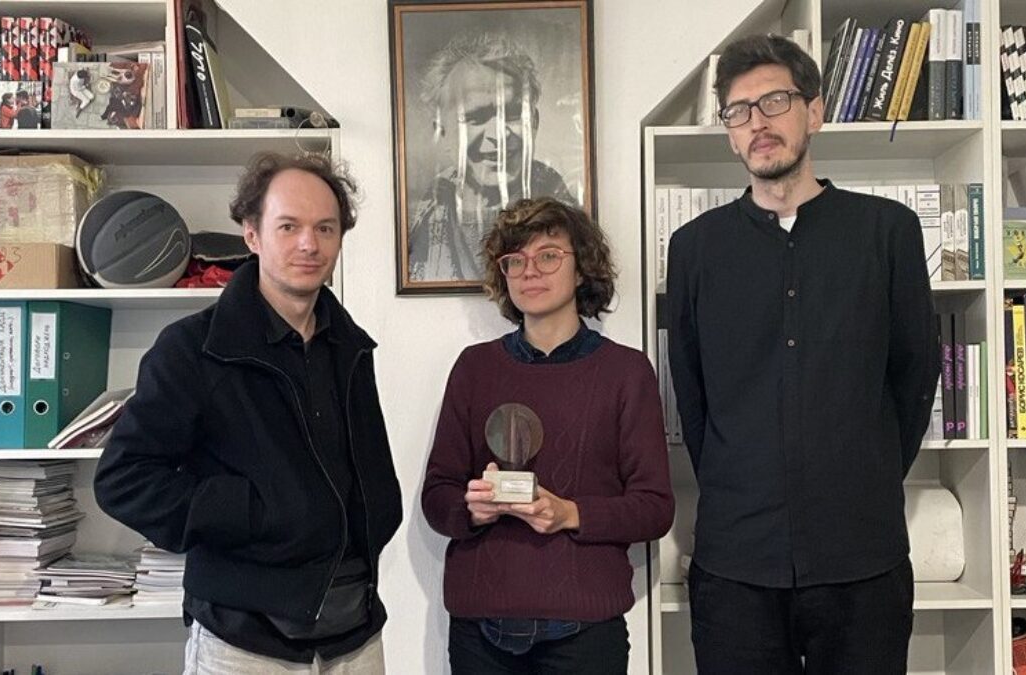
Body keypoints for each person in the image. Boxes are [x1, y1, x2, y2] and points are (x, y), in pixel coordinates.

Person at [666, 34, 940, 674]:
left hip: (862, 557)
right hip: (736, 562)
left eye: (775, 102)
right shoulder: (694, 250)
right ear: (729, 135)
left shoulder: (888, 231)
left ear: (814, 112)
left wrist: (863, 472)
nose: (757, 123)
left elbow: (915, 378)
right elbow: (692, 393)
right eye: (739, 111)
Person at [95, 152, 402, 673]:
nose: (309, 244)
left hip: (356, 635)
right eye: (289, 226)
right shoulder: (192, 349)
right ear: (252, 234)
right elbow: (123, 479)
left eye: (325, 228)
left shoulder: (351, 347)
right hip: (244, 645)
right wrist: (252, 511)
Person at [421, 197, 673, 673]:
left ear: (581, 270)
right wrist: (471, 509)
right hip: (480, 630)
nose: (530, 271)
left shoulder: (625, 372)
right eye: (515, 261)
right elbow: (437, 497)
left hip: (585, 631)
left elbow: (655, 507)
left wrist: (569, 514)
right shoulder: (474, 368)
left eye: (549, 255)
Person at [407, 33, 576, 283]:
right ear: (442, 132)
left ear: (535, 122)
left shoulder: (571, 222)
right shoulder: (418, 220)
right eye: (476, 117)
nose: (499, 135)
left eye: (513, 114)